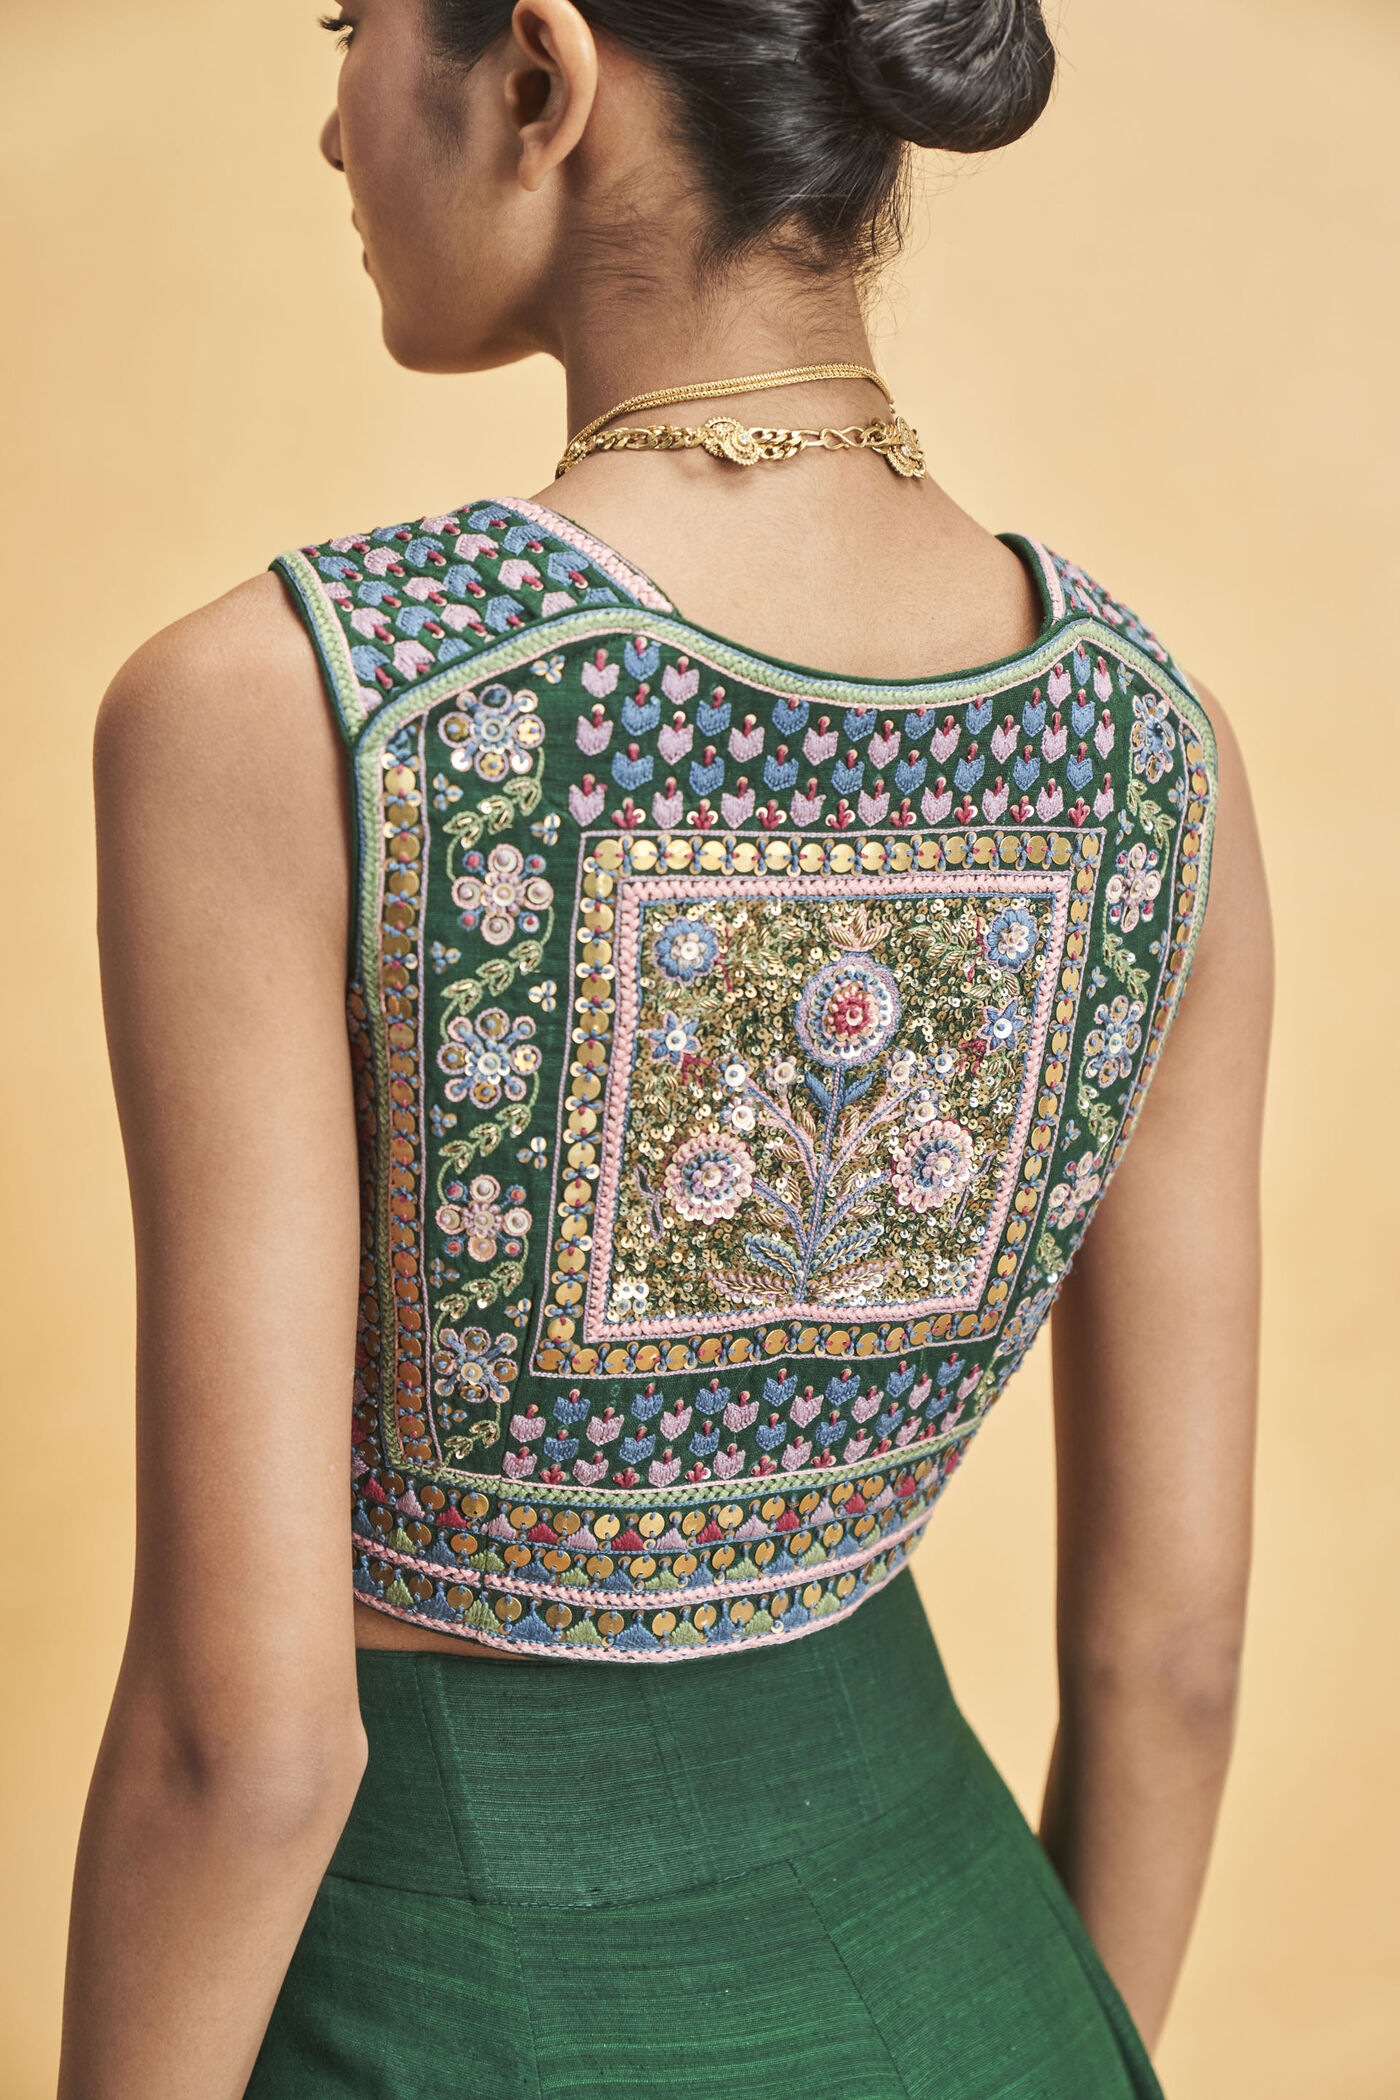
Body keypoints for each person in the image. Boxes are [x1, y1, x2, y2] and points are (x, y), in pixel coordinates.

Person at [58, 1, 1271, 2094]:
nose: (332, 128)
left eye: (349, 24)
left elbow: (242, 1748)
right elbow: (1174, 1656)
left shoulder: (303, 713)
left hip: (448, 1997)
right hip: (981, 1985)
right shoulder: (1161, 752)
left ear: (540, 79)